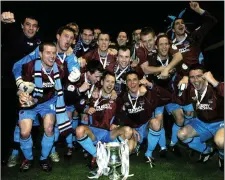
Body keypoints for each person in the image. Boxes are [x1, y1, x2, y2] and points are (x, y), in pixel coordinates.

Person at [167, 1, 218, 153]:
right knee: (185, 116)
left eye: (182, 22)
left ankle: (206, 142)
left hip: (197, 82)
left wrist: (198, 10)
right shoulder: (169, 46)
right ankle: (179, 144)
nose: (181, 25)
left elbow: (212, 21)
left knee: (203, 113)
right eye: (177, 23)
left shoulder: (193, 38)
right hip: (179, 85)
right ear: (173, 28)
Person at [17, 42, 72, 172]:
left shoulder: (60, 68)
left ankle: (44, 158)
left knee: (49, 128)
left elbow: (65, 86)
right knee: (24, 132)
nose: (52, 56)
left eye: (54, 53)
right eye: (48, 52)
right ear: (40, 54)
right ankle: (28, 158)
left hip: (48, 102)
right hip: (31, 101)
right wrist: (21, 95)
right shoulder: (29, 67)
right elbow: (20, 88)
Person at [1, 11, 41, 165]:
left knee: (30, 124)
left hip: (32, 90)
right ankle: (7, 152)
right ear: (22, 26)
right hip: (9, 88)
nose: (31, 28)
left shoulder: (40, 44)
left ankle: (27, 155)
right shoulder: (11, 38)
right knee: (8, 122)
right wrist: (3, 21)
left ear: (37, 29)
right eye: (28, 25)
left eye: (34, 26)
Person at [114, 71, 176, 167]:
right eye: (129, 80)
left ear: (139, 81)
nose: (132, 83)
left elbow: (168, 96)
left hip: (146, 127)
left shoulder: (148, 94)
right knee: (129, 149)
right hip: (133, 130)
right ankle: (135, 146)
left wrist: (150, 85)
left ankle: (148, 154)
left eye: (135, 80)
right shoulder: (122, 98)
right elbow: (119, 116)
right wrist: (131, 129)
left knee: (156, 122)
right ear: (126, 83)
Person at [75, 71, 133, 169]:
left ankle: (111, 152)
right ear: (102, 82)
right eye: (107, 81)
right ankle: (97, 155)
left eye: (112, 82)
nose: (110, 85)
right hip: (93, 133)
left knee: (128, 131)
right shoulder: (93, 94)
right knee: (79, 130)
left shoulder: (116, 98)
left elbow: (122, 113)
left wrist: (116, 122)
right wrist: (86, 109)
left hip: (108, 134)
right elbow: (78, 105)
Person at [177, 65, 224, 164]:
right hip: (201, 122)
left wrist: (214, 82)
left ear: (205, 76)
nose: (195, 80)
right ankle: (207, 151)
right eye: (192, 77)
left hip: (220, 123)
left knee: (220, 141)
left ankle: (222, 157)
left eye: (199, 76)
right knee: (182, 134)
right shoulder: (190, 89)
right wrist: (181, 87)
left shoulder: (215, 87)